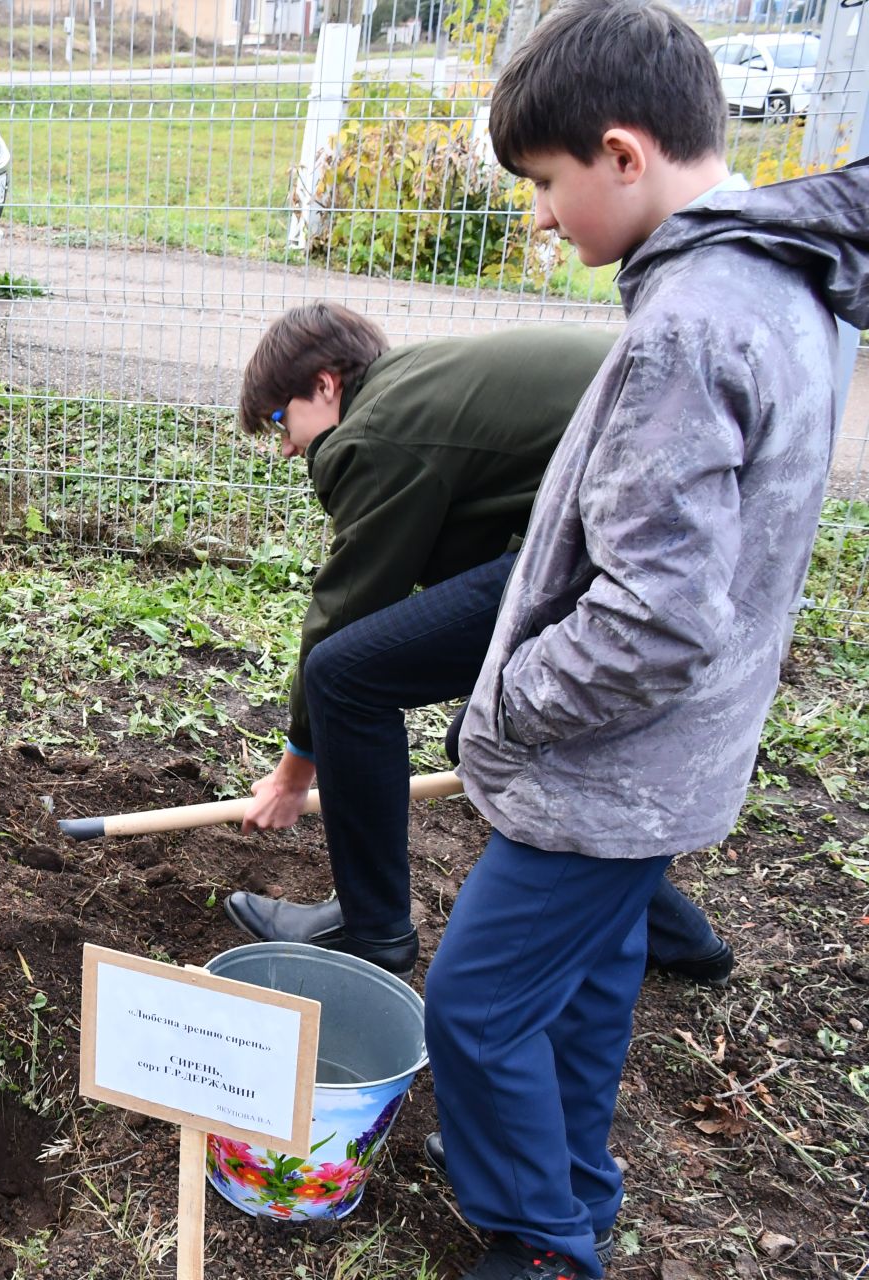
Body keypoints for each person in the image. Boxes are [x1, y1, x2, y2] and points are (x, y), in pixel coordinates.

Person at [425, 3, 867, 1277]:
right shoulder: (790, 280)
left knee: (476, 1004)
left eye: (550, 185)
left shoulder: (689, 326)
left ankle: (542, 1243)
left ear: (623, 154)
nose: (545, 218)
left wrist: (510, 704)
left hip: (604, 767)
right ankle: (585, 1189)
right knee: (585, 989)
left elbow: (656, 616)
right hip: (675, 764)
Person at [224, 304, 730, 986]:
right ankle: (680, 937)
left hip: (624, 554)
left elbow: (346, 613)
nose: (286, 447)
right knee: (488, 733)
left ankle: (371, 929)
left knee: (342, 677)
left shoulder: (373, 436)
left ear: (324, 384)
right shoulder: (421, 385)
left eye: (281, 423)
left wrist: (296, 768)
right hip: (664, 547)